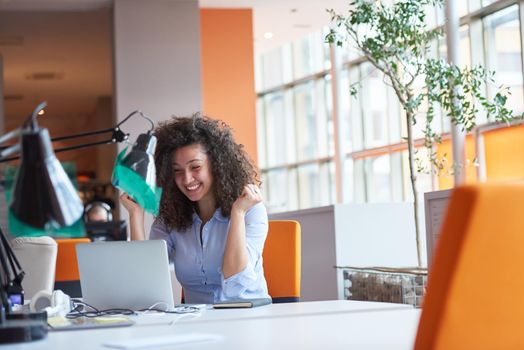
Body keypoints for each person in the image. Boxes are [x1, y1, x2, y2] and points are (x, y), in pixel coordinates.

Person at [120, 114, 270, 304]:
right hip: (194, 322)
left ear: (216, 165)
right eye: (177, 171)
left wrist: (237, 214)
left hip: (246, 316)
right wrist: (135, 215)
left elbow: (235, 283)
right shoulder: (170, 217)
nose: (187, 179)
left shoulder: (250, 209)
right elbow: (144, 280)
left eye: (195, 167)